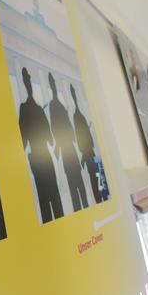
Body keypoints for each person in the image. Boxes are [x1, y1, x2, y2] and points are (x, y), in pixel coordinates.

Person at [18, 67, 63, 222]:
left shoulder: (30, 108)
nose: (29, 84)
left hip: (40, 157)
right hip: (40, 156)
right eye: (27, 80)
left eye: (29, 80)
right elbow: (25, 140)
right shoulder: (31, 109)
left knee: (50, 198)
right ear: (25, 83)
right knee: (49, 198)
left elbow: (24, 140)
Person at [48, 73, 88, 212]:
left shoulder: (57, 106)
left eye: (53, 83)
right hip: (67, 151)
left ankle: (83, 209)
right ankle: (81, 210)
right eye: (51, 83)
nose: (53, 86)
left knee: (78, 185)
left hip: (68, 150)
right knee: (75, 185)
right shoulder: (55, 106)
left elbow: (61, 129)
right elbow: (57, 129)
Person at [70, 84, 103, 204]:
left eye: (74, 93)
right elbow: (82, 138)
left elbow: (85, 137)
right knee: (96, 180)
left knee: (97, 180)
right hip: (89, 154)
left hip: (90, 154)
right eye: (73, 94)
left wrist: (85, 154)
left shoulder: (79, 117)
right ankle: (100, 200)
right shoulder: (77, 116)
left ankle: (101, 199)